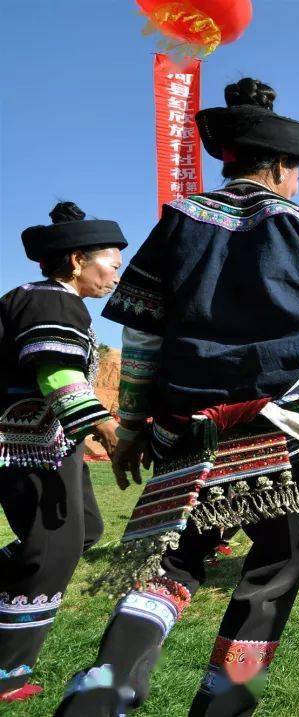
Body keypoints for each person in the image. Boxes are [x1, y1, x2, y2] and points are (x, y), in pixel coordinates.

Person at [57, 78, 299, 716]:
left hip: (187, 424)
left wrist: (138, 424)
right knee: (276, 564)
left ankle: (102, 695)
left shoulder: (178, 223)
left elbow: (142, 335)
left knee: (169, 561)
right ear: (283, 166)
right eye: (297, 172)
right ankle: (224, 705)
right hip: (282, 425)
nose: (298, 182)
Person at [0, 203, 126, 703]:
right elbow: (57, 375)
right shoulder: (51, 301)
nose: (115, 276)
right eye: (112, 265)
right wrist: (108, 428)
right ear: (77, 260)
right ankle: (7, 671)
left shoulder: (48, 299)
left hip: (51, 442)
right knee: (49, 549)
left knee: (85, 531)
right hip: (23, 444)